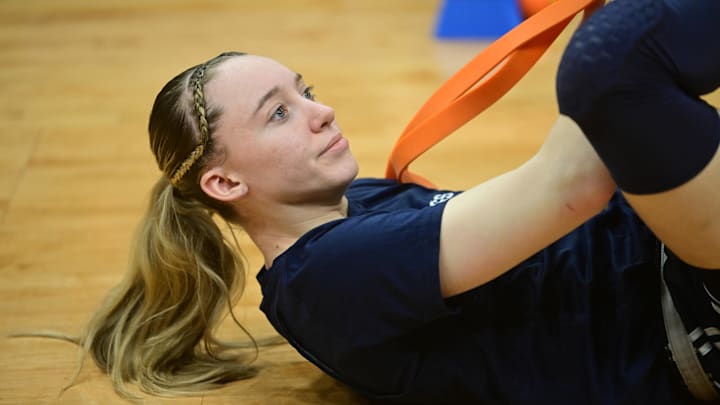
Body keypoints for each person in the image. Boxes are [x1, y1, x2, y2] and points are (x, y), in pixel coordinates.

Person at [71, 0, 720, 403]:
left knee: (614, 61)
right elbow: (571, 188)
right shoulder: (328, 279)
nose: (320, 112)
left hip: (671, 253)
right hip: (684, 317)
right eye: (279, 114)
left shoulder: (350, 203)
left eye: (306, 91)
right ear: (225, 183)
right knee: (609, 64)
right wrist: (610, 35)